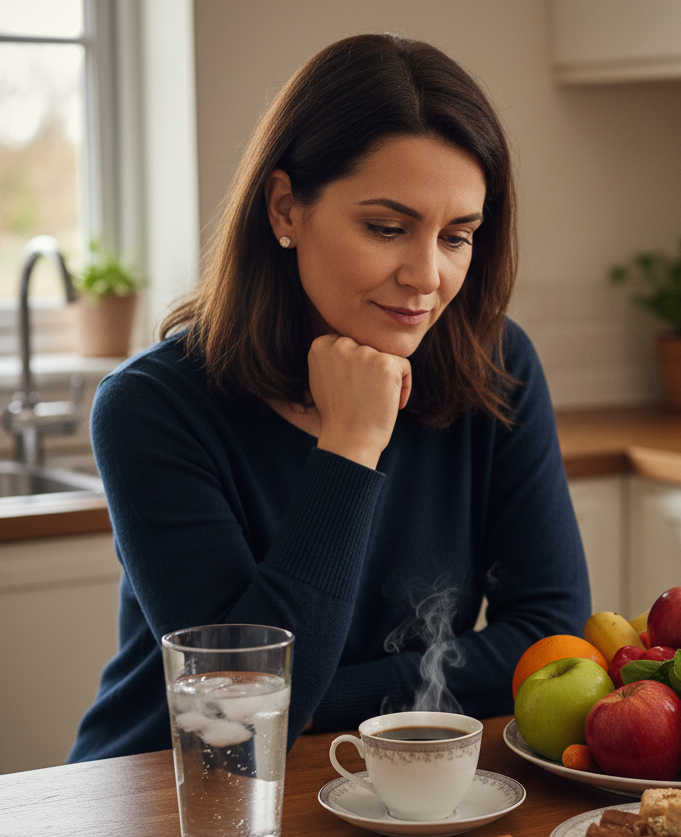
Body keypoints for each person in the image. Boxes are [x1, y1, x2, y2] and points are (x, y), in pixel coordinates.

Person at [69, 34, 590, 762]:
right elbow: (236, 720)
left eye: (457, 236)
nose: (427, 276)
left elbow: (551, 637)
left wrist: (309, 698)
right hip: (168, 797)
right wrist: (350, 446)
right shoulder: (151, 407)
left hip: (385, 782)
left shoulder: (497, 364)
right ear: (285, 208)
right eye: (386, 228)